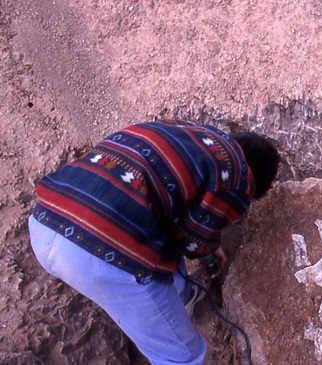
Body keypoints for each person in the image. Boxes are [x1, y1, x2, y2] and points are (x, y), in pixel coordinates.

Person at [28, 119, 280, 364]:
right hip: (102, 252)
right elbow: (191, 240)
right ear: (255, 183)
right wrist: (210, 251)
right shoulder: (238, 175)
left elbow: (173, 220)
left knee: (159, 233)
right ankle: (169, 316)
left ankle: (179, 298)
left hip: (45, 220)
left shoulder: (179, 131)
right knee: (184, 356)